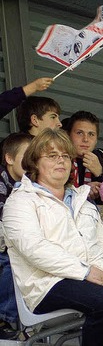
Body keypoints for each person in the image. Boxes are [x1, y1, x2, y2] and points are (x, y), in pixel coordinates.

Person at [2, 128, 103, 346]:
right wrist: (84, 271)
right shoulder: (21, 201)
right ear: (35, 163)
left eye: (65, 156)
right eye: (52, 156)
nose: (61, 161)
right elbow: (34, 248)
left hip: (93, 279)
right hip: (47, 283)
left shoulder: (81, 200)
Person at [0, 133, 32, 339]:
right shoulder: (1, 181)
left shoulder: (28, 185)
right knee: (12, 261)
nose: (32, 161)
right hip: (4, 243)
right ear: (9, 158)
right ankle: (5, 318)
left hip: (13, 240)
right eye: (27, 155)